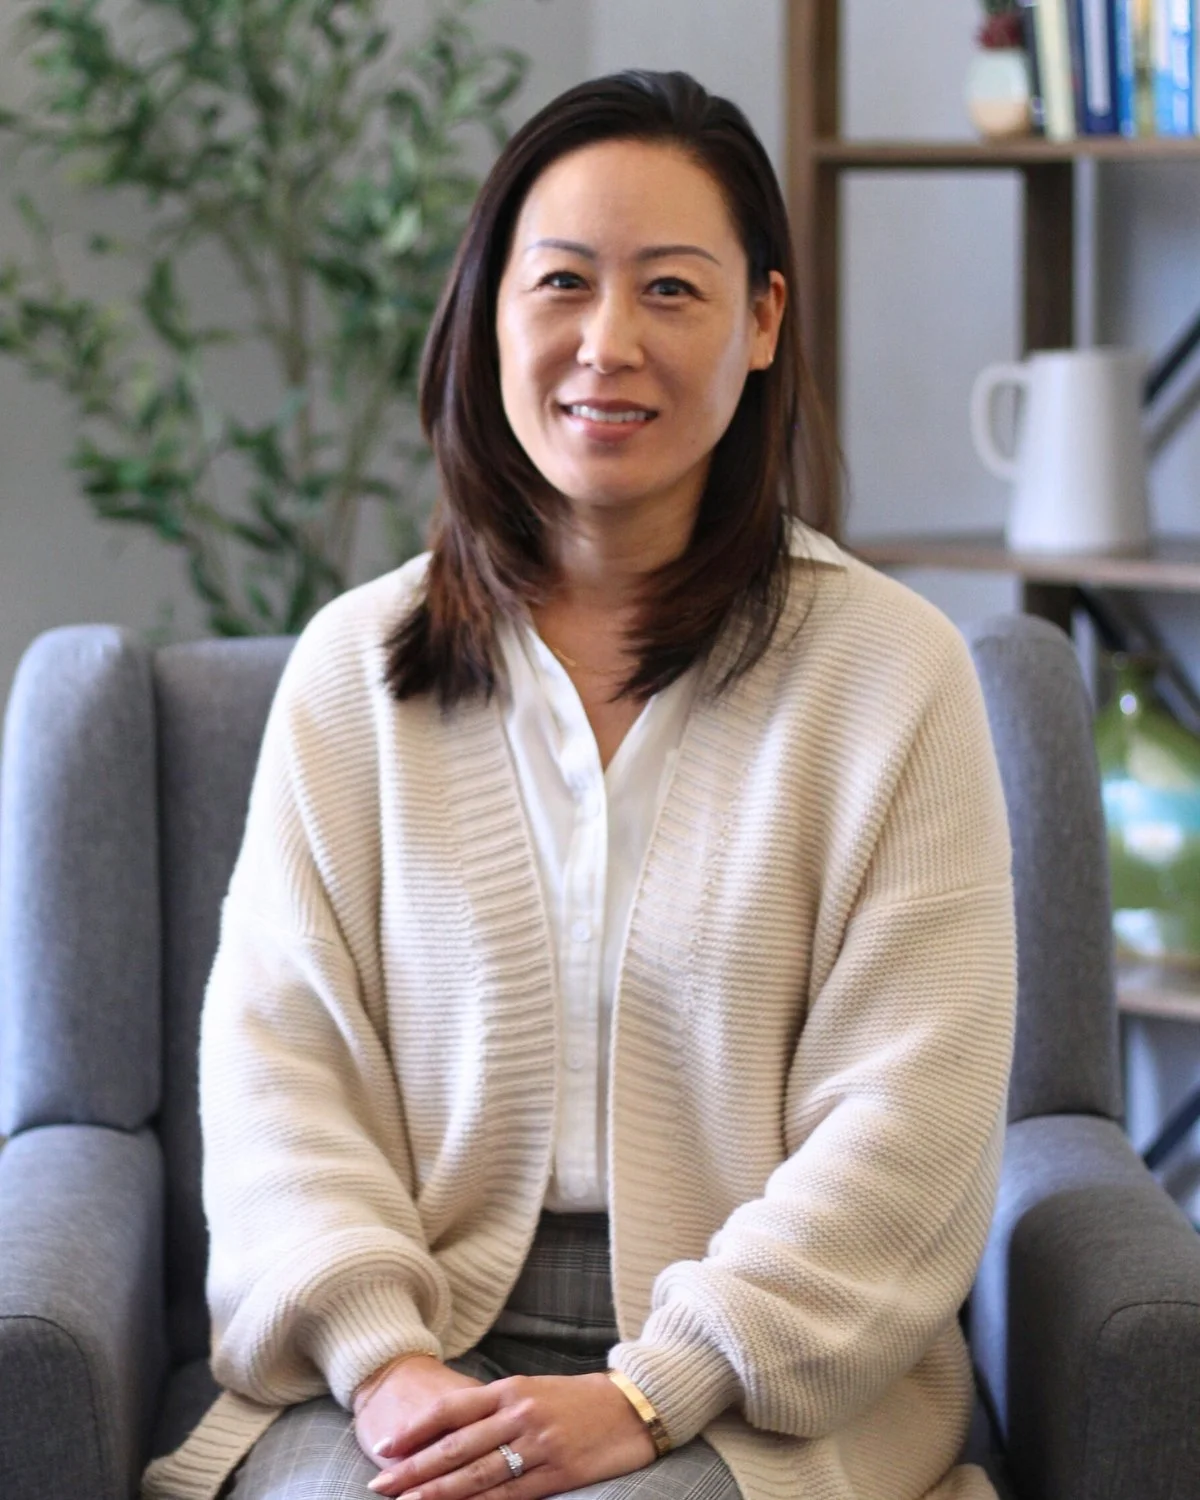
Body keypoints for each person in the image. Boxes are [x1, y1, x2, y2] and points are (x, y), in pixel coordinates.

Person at [143, 69, 1016, 1500]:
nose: (608, 342)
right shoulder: (350, 669)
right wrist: (389, 1363)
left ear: (761, 323)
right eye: (562, 282)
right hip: (403, 1336)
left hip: (759, 1380)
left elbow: (908, 1124)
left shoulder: (893, 677)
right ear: (492, 310)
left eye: (671, 290)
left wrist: (652, 1391)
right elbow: (274, 1070)